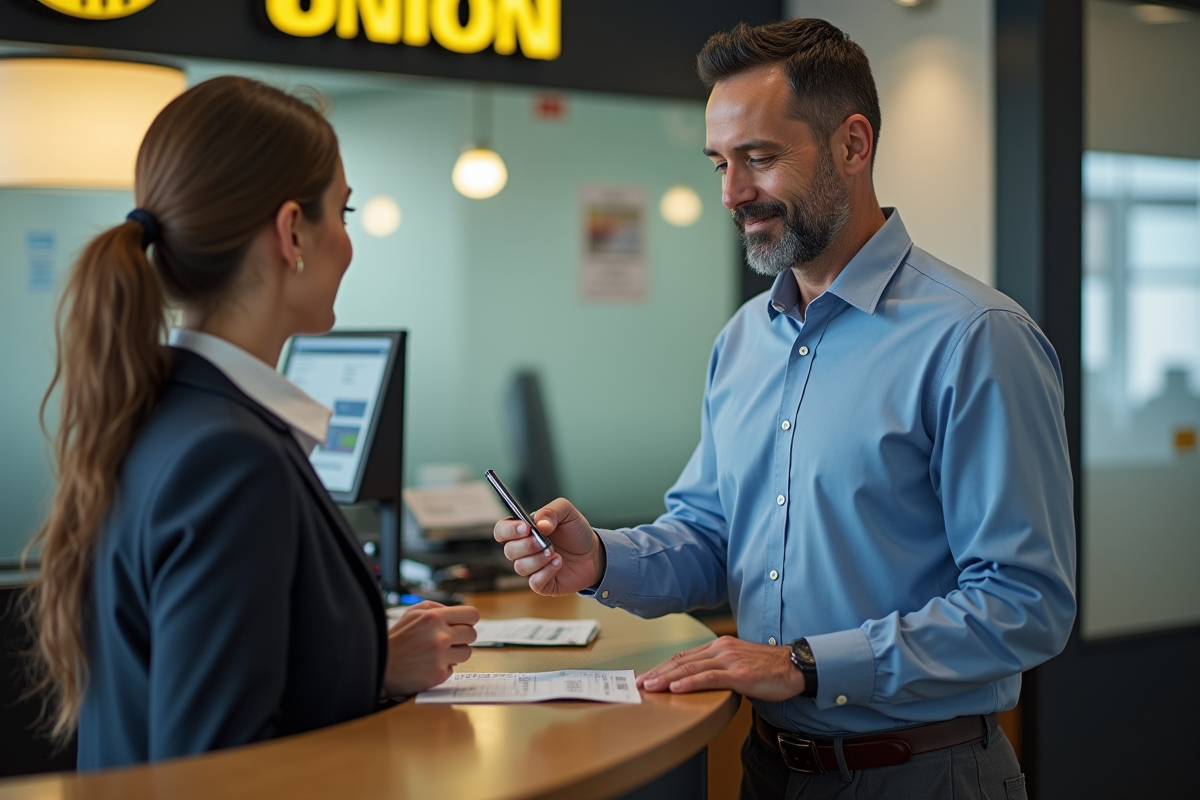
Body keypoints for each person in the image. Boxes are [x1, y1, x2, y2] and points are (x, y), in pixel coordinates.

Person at [495, 19, 1074, 799]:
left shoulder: (976, 338)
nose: (733, 194)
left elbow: (1024, 603)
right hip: (769, 767)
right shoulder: (744, 340)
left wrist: (803, 664)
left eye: (759, 159)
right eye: (720, 164)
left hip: (923, 774)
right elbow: (709, 535)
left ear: (853, 145)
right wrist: (598, 557)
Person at [23, 76, 479, 770]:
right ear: (292, 230)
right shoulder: (231, 459)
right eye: (343, 213)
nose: (350, 245)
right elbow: (219, 770)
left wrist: (369, 663)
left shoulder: (161, 414)